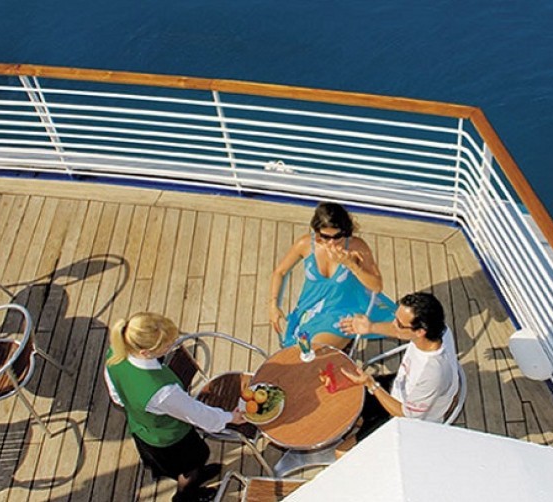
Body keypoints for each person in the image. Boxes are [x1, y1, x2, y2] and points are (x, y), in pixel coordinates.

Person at [104, 312, 246, 502]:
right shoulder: (162, 391)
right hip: (170, 439)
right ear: (145, 352)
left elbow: (117, 397)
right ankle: (185, 496)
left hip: (143, 430)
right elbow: (196, 413)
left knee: (184, 465)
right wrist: (230, 417)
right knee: (191, 465)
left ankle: (193, 479)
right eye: (167, 345)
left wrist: (140, 405)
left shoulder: (116, 351)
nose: (173, 345)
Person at [267, 201, 397, 351]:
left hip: (343, 309)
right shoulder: (306, 244)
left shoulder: (356, 246)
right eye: (325, 237)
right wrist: (273, 305)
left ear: (345, 231)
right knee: (305, 352)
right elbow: (280, 272)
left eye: (337, 236)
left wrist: (351, 265)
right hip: (311, 309)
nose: (332, 243)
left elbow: (376, 286)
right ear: (317, 232)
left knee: (316, 351)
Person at [339, 292, 460, 441]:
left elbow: (406, 415)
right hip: (398, 388)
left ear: (420, 332)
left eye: (399, 324)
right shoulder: (440, 330)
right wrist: (370, 327)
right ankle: (363, 421)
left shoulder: (432, 373)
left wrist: (372, 385)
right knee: (345, 402)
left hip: (406, 420)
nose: (393, 324)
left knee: (342, 451)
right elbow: (398, 331)